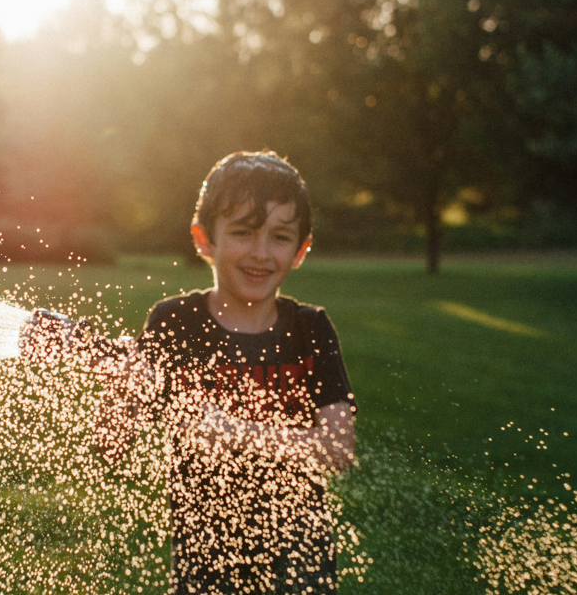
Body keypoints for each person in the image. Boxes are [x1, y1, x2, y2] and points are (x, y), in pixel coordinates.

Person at [28, 151, 357, 594]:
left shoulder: (309, 329)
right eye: (242, 232)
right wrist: (120, 386)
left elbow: (336, 449)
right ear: (204, 239)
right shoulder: (174, 322)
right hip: (205, 560)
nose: (260, 254)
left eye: (279, 237)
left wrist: (234, 433)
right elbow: (111, 444)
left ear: (301, 250)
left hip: (297, 562)